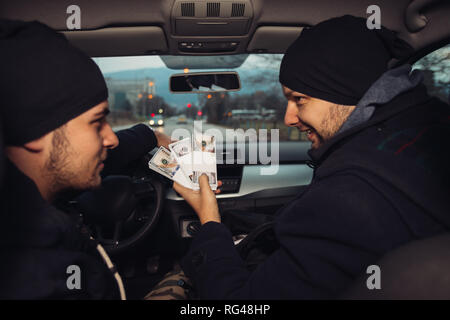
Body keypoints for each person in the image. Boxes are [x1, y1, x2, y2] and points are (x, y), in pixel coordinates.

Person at [173, 15, 450, 299]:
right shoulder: (429, 129)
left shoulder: (346, 199)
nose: (288, 118)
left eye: (299, 99)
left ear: (344, 89)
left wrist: (209, 219)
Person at [0, 19, 173, 299]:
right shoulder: (40, 276)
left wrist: (149, 135)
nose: (111, 138)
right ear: (35, 130)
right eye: (96, 123)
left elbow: (103, 151)